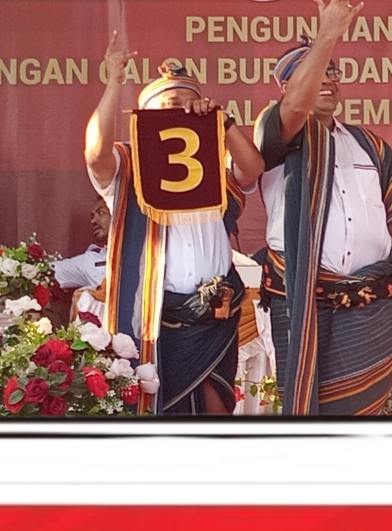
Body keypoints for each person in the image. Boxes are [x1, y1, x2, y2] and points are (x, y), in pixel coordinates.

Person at [253, 0, 392, 416]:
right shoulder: (275, 131)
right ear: (284, 86)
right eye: (314, 71)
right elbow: (296, 109)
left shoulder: (369, 144)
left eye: (332, 71)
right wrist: (326, 35)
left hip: (372, 302)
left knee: (363, 416)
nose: (327, 79)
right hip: (303, 302)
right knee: (309, 415)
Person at [84, 35, 264, 414]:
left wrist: (222, 121)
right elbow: (95, 155)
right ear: (145, 115)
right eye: (168, 105)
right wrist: (114, 82)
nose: (181, 110)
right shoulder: (130, 165)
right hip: (161, 319)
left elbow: (252, 169)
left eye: (188, 102)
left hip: (216, 315)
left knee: (216, 410)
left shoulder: (213, 162)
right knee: (160, 411)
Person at [53, 197, 111, 325]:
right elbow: (50, 271)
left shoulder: (145, 252)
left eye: (101, 213)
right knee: (84, 295)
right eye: (92, 216)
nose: (93, 221)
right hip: (104, 331)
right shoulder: (91, 259)